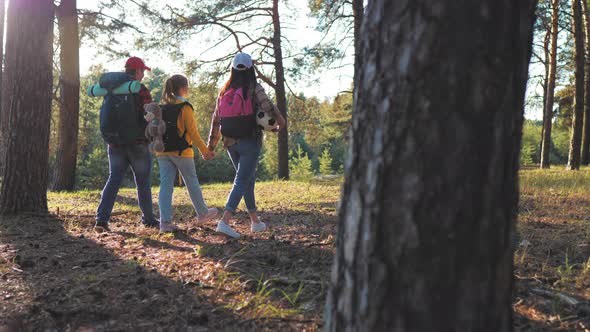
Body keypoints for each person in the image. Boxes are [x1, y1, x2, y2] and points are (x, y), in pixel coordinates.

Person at [207, 52, 286, 239]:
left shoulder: (224, 91)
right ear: (251, 69)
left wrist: (211, 145)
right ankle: (224, 222)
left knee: (247, 180)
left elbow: (216, 119)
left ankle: (255, 222)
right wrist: (280, 122)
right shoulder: (254, 87)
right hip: (250, 141)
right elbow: (267, 106)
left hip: (230, 143)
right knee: (242, 181)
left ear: (233, 70)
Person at [95, 56, 157, 232]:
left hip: (115, 143)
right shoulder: (140, 89)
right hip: (138, 143)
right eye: (142, 71)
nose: (143, 75)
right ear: (137, 71)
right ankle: (148, 219)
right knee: (143, 182)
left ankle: (101, 219)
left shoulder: (110, 89)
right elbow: (148, 115)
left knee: (114, 179)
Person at [156, 74, 219, 232]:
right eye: (187, 87)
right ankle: (203, 213)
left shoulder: (161, 106)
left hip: (163, 151)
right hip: (182, 152)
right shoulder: (185, 107)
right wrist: (205, 151)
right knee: (191, 181)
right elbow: (193, 133)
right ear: (183, 88)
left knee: (165, 186)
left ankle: (164, 223)